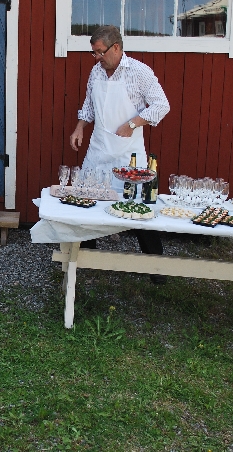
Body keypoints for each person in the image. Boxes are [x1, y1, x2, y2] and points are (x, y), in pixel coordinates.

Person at [69, 25, 171, 283]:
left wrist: (133, 124)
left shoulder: (139, 71)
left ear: (116, 47)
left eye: (100, 52)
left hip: (128, 154)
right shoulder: (96, 72)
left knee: (139, 209)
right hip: (99, 148)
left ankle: (157, 270)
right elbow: (89, 107)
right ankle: (86, 262)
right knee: (88, 203)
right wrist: (79, 128)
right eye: (93, 53)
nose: (96, 58)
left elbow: (162, 105)